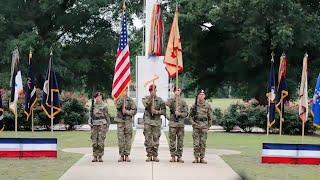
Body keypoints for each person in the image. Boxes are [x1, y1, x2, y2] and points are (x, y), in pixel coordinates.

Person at [189, 89, 214, 164]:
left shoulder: (207, 105)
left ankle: (202, 158)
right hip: (196, 126)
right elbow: (190, 116)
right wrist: (193, 124)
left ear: (205, 96)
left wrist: (208, 126)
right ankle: (196, 158)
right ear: (198, 95)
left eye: (203, 94)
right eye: (200, 94)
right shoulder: (194, 105)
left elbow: (210, 117)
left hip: (204, 127)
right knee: (196, 144)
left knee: (203, 143)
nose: (201, 95)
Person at [142, 84, 166, 162]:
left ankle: (155, 155)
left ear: (156, 90)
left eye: (154, 90)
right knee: (147, 139)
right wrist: (150, 98)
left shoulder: (160, 100)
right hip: (148, 121)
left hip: (156, 121)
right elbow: (145, 105)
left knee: (156, 139)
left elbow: (164, 111)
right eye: (151, 90)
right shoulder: (145, 98)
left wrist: (156, 111)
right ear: (149, 91)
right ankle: (149, 155)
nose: (153, 91)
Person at [166, 87, 188, 163]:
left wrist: (180, 114)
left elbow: (186, 113)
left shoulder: (183, 102)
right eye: (176, 90)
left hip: (180, 124)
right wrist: (174, 97)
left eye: (179, 90)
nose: (177, 91)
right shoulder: (171, 100)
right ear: (174, 91)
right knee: (172, 141)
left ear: (181, 91)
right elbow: (167, 104)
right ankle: (173, 156)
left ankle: (179, 156)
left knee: (180, 141)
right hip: (173, 124)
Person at [114, 87, 137, 162]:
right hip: (120, 121)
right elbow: (117, 106)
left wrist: (127, 112)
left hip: (128, 121)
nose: (124, 92)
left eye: (125, 90)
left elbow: (134, 110)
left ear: (127, 90)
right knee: (120, 138)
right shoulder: (118, 99)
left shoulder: (130, 100)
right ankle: (121, 155)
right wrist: (122, 98)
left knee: (128, 138)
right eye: (123, 90)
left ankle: (127, 155)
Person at [89, 91, 111, 162]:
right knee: (94, 141)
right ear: (95, 98)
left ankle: (100, 156)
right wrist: (90, 122)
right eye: (97, 97)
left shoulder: (104, 106)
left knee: (101, 141)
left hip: (102, 124)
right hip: (94, 125)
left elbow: (107, 116)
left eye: (100, 96)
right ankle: (95, 156)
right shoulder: (93, 106)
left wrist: (107, 126)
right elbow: (90, 115)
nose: (99, 98)